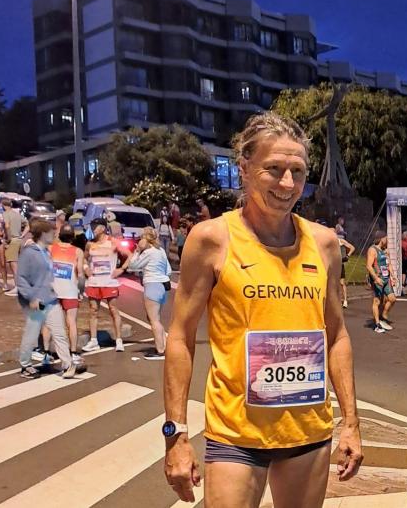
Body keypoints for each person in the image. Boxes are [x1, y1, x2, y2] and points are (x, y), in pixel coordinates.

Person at [163, 111, 363, 507]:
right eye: (274, 169)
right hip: (236, 433)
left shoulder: (323, 244)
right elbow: (181, 338)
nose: (287, 184)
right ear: (245, 169)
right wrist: (177, 435)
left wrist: (351, 423)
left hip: (308, 432)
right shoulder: (212, 240)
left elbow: (336, 335)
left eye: (298, 172)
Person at [16, 219, 76, 380]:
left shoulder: (47, 252)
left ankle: (67, 364)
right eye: (51, 232)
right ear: (43, 234)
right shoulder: (29, 252)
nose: (55, 234)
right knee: (32, 332)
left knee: (60, 332)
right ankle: (25, 365)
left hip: (50, 298)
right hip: (37, 301)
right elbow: (21, 278)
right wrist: (31, 297)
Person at [119, 227, 171, 360]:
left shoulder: (148, 252)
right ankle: (163, 345)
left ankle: (160, 351)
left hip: (152, 285)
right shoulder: (161, 251)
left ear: (146, 239)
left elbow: (133, 265)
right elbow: (168, 270)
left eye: (142, 237)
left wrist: (137, 251)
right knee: (156, 319)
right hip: (162, 286)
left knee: (154, 320)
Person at [82, 219, 129, 352]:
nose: (92, 229)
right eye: (91, 226)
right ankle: (93, 340)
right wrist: (86, 268)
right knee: (93, 311)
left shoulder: (113, 242)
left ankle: (119, 340)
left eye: (94, 227)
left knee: (113, 309)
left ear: (102, 228)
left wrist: (121, 269)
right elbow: (83, 258)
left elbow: (129, 254)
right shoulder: (90, 244)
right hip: (94, 282)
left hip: (109, 282)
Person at [50, 224, 86, 366]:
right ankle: (73, 353)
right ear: (73, 237)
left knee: (48, 323)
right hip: (70, 291)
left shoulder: (51, 248)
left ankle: (46, 352)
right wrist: (81, 292)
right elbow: (81, 275)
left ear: (59, 235)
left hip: (52, 290)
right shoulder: (77, 252)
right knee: (71, 322)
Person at [366, 232, 396, 333]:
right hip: (378, 278)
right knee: (377, 301)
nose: (387, 241)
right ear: (381, 238)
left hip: (386, 278)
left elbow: (389, 264)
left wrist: (393, 276)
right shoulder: (372, 250)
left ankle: (383, 315)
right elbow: (369, 266)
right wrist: (375, 278)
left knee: (392, 298)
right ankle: (377, 324)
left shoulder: (385, 251)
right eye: (386, 238)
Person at [2, 198, 27, 297]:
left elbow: (7, 226)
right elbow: (27, 225)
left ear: (3, 205)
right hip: (19, 240)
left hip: (12, 240)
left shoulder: (6, 214)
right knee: (17, 265)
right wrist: (22, 235)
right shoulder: (17, 214)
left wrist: (8, 239)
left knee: (14, 265)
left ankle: (17, 287)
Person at [338, 235, 356, 309]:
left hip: (340, 264)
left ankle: (345, 300)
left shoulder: (340, 241)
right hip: (332, 264)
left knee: (342, 283)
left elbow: (352, 248)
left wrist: (347, 256)